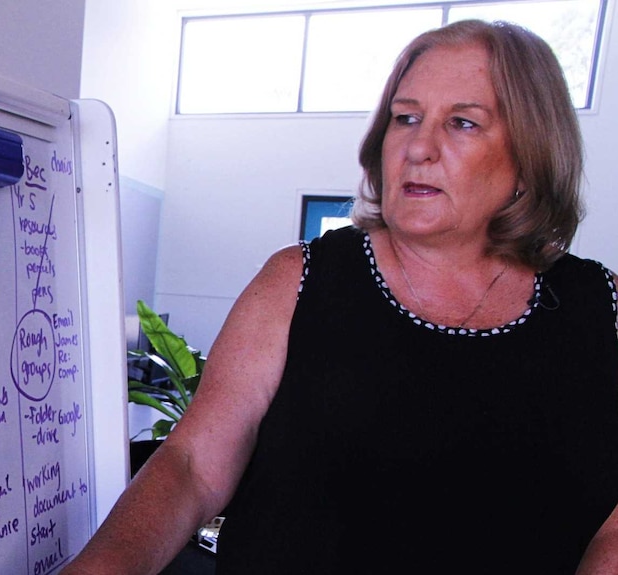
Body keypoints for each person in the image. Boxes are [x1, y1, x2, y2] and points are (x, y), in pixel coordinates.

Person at [63, 19, 618, 574]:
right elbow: (191, 464)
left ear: (530, 155)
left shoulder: (600, 308)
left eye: (463, 123)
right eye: (406, 117)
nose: (419, 147)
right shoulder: (299, 280)